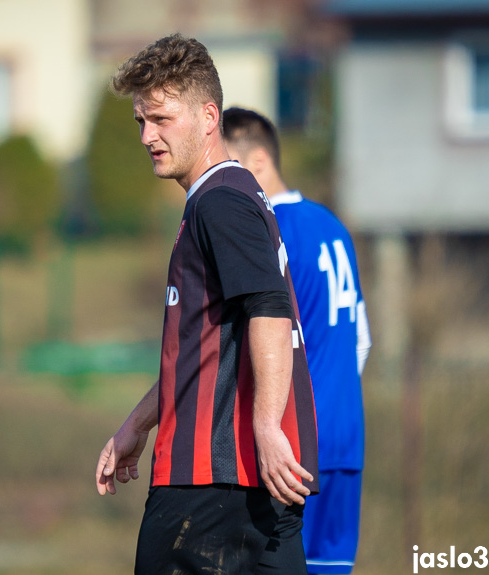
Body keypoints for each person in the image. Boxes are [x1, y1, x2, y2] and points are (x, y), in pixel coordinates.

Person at [94, 34, 318, 574]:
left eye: (162, 119)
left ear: (209, 116)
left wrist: (265, 425)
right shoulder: (225, 198)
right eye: (140, 122)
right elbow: (203, 349)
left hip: (215, 481)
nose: (148, 136)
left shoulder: (220, 202)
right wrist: (139, 424)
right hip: (237, 478)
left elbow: (269, 308)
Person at [223, 107, 372, 575]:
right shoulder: (333, 225)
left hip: (294, 444)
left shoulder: (270, 230)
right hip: (347, 438)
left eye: (228, 167)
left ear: (259, 162)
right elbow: (362, 340)